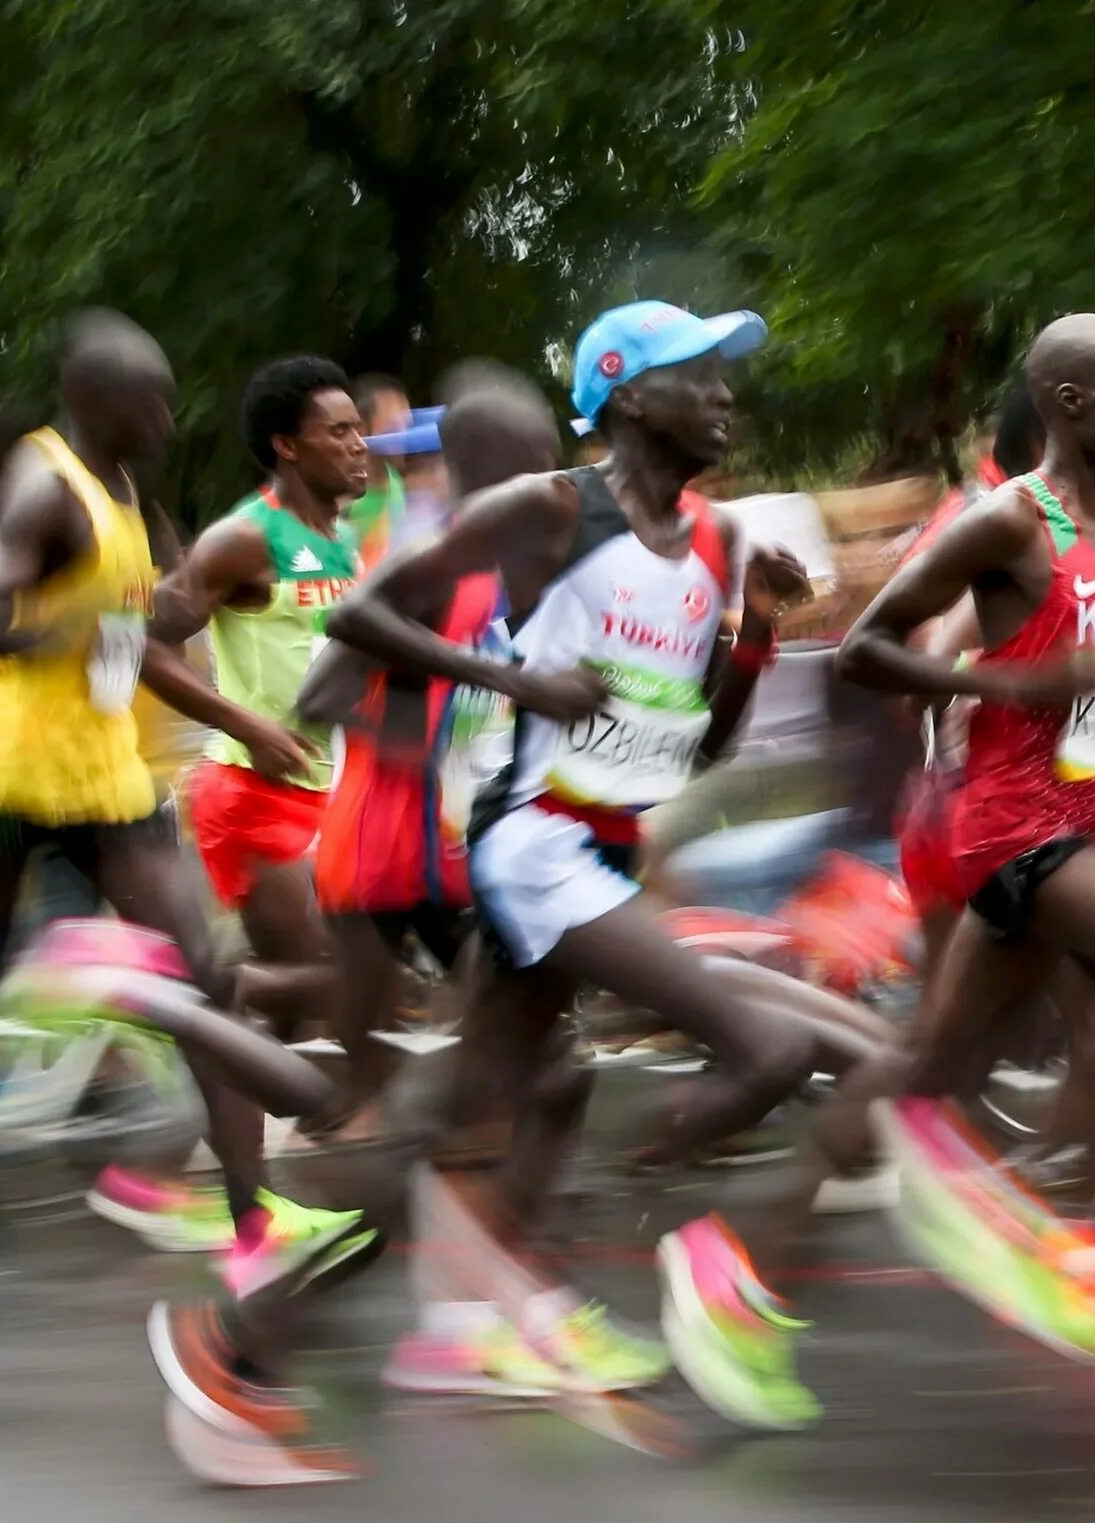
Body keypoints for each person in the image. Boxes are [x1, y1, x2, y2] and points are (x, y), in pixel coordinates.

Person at [308, 301, 862, 1443]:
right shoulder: (554, 508)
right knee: (771, 1048)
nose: (724, 394)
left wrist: (755, 632)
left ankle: (363, 1327)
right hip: (538, 848)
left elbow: (700, 745)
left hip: (609, 844)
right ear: (625, 395)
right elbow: (363, 620)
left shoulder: (714, 543)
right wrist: (516, 685)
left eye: (726, 375)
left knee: (501, 1102)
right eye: (696, 375)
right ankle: (676, 1240)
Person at [832, 312, 1095, 1364]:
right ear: (1071, 405)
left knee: (940, 1062)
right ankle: (1048, 1186)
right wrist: (999, 680)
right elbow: (867, 650)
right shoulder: (1008, 521)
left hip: (1088, 822)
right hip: (1018, 833)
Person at [0, 311, 356, 1307]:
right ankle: (49, 975)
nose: (168, 413)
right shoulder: (46, 491)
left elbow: (142, 628)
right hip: (11, 780)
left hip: (109, 785)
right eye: (149, 398)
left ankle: (255, 1220)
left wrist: (165, 626)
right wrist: (92, 631)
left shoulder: (130, 491)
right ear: (92, 400)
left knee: (206, 984)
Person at [295, 365, 560, 1141]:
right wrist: (412, 738)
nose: (553, 480)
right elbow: (318, 697)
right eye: (535, 464)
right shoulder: (427, 565)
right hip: (378, 843)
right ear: (481, 470)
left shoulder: (500, 563)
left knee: (519, 1020)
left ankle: (473, 1155)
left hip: (444, 844)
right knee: (359, 1099)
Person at [146, 356, 372, 1041]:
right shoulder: (245, 538)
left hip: (330, 788)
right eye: (338, 432)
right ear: (287, 444)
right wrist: (247, 725)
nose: (359, 446)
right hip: (253, 790)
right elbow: (145, 645)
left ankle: (246, 1071)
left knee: (322, 998)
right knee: (333, 981)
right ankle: (174, 1001)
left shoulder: (343, 540)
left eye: (360, 430)